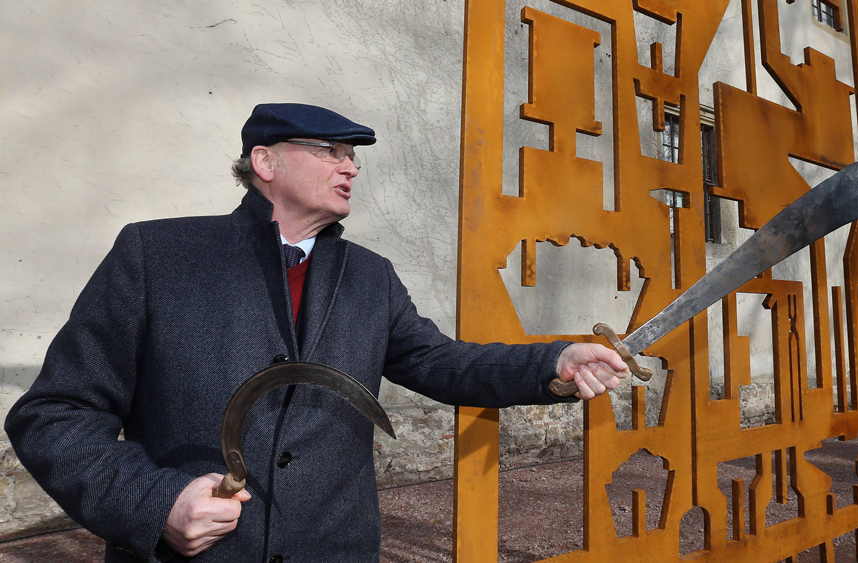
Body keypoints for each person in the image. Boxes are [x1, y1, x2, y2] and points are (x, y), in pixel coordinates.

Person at [4, 103, 632, 563]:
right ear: (265, 161)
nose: (350, 168)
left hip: (336, 548)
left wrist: (557, 361)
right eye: (330, 151)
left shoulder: (370, 276)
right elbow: (55, 414)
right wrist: (156, 503)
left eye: (353, 156)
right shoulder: (158, 254)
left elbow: (442, 362)